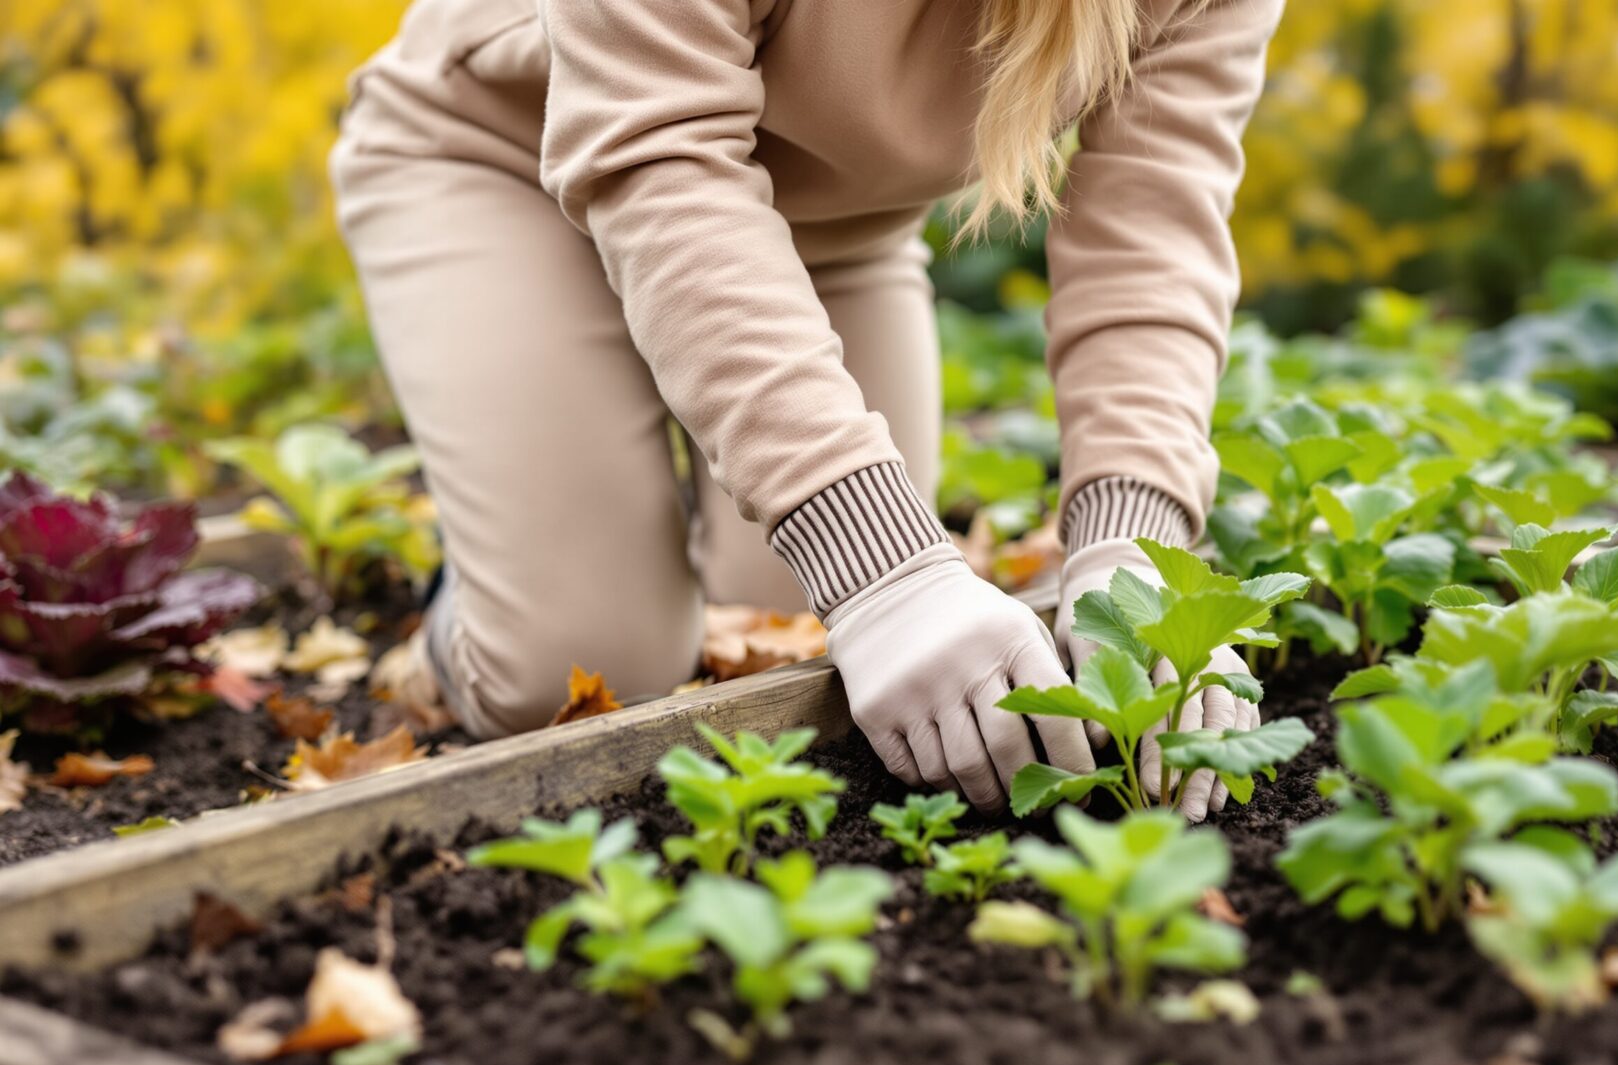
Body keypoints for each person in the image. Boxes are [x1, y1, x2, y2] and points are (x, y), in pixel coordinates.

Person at [333, 0, 1284, 820]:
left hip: (825, 234)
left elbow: (1154, 222)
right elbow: (654, 152)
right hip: (502, 158)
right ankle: (472, 597)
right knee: (582, 671)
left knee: (798, 642)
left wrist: (1133, 553)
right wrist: (882, 569)